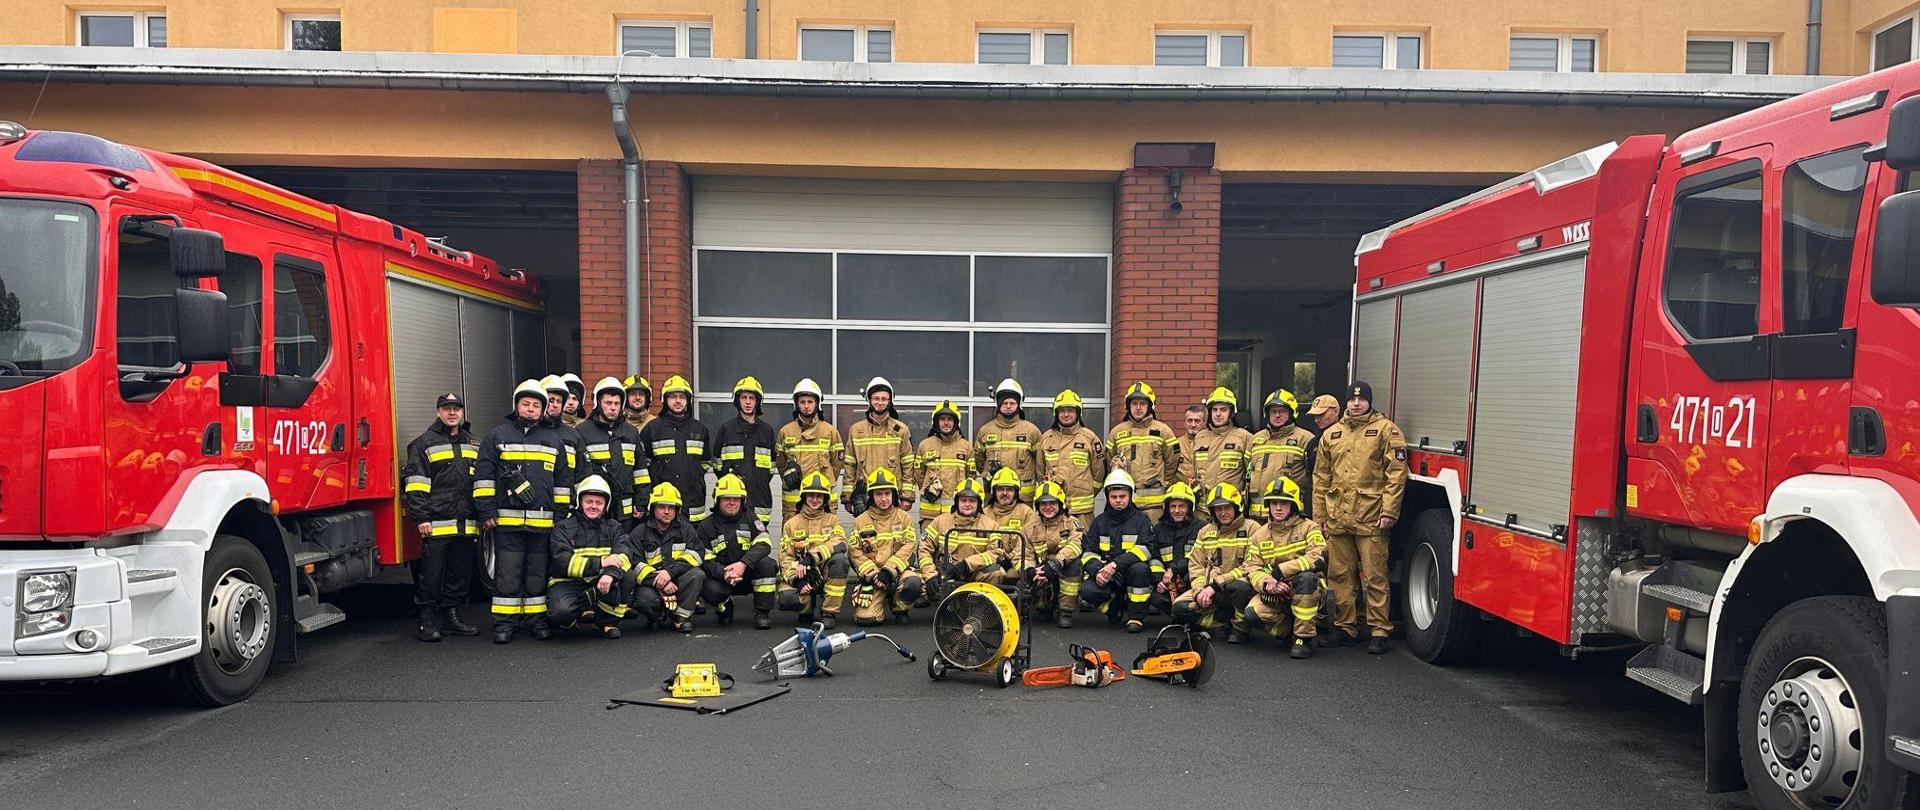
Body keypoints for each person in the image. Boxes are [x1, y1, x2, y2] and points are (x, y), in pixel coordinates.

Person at [474, 379, 575, 644]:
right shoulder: (497, 436)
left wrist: (561, 519)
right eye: (525, 404)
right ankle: (504, 623)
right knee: (508, 573)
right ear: (516, 405)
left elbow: (563, 483)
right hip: (507, 521)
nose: (530, 409)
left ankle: (536, 620)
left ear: (543, 410)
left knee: (536, 574)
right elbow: (484, 478)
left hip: (544, 524)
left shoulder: (553, 441)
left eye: (535, 405)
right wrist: (486, 512)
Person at [1313, 381, 1408, 655]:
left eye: (1362, 399)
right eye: (1352, 400)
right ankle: (1346, 627)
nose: (1356, 404)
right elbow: (1320, 478)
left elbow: (1396, 474)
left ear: (1369, 402)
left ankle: (1378, 630)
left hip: (1371, 516)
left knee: (1375, 576)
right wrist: (1320, 515)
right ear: (1346, 403)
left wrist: (1389, 510)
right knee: (1340, 575)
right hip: (1338, 516)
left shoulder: (1386, 431)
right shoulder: (1332, 434)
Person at [401, 392, 482, 642]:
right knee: (431, 575)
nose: (452, 413)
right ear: (438, 412)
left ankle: (451, 617)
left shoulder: (474, 444)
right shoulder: (424, 444)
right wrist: (421, 517)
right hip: (435, 522)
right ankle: (427, 619)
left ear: (462, 413)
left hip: (466, 524)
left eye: (456, 408)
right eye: (447, 408)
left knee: (460, 573)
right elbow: (416, 484)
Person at [1243, 478, 1328, 659]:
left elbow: (1318, 557)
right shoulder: (1259, 534)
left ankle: (1303, 639)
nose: (1278, 508)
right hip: (1275, 591)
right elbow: (1252, 568)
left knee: (1306, 579)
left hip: (1306, 588)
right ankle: (1286, 630)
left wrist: (1280, 572)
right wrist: (1266, 583)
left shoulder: (1309, 527)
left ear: (1294, 505)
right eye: (1274, 503)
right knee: (1251, 615)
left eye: (1283, 503)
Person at [544, 475, 634, 639]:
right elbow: (563, 563)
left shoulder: (614, 527)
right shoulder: (563, 528)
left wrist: (609, 573)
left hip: (601, 580)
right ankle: (571, 621)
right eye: (589, 502)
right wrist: (601, 562)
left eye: (599, 503)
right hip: (567, 582)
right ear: (579, 502)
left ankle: (605, 623)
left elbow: (624, 554)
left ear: (605, 505)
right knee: (561, 612)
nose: (594, 506)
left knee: (628, 576)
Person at [1172, 483, 1257, 642]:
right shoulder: (1205, 532)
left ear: (1236, 506)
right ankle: (1219, 623)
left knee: (1240, 587)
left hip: (1236, 587)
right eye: (1218, 509)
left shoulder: (1253, 529)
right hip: (1210, 589)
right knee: (1179, 607)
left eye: (1227, 507)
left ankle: (1240, 628)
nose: (1223, 513)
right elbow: (1195, 565)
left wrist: (1216, 584)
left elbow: (1250, 566)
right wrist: (1198, 591)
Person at [696, 474, 777, 630]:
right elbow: (705, 559)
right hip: (723, 578)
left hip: (746, 573)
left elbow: (764, 543)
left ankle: (762, 613)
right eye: (727, 498)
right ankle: (725, 605)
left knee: (768, 564)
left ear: (743, 500)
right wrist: (724, 573)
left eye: (736, 498)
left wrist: (743, 564)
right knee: (705, 585)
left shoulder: (751, 519)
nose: (732, 502)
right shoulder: (706, 526)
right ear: (717, 500)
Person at [1079, 469, 1156, 632]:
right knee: (1087, 591)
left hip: (1130, 572)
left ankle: (1135, 617)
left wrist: (1114, 565)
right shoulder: (1099, 522)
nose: (1118, 501)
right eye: (1114, 497)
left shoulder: (1141, 519)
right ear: (1107, 497)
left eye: (1122, 496)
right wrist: (1097, 571)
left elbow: (1147, 549)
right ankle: (1114, 608)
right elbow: (1088, 552)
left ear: (1130, 496)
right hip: (1107, 574)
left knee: (1141, 569)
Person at [626, 482, 706, 633]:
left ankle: (680, 617)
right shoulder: (639, 533)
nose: (667, 511)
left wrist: (669, 573)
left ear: (677, 510)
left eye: (671, 507)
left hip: (678, 580)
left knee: (697, 575)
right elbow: (634, 563)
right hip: (651, 583)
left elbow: (697, 553)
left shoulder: (686, 529)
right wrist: (660, 581)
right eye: (662, 507)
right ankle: (657, 616)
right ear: (653, 509)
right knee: (645, 601)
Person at [847, 468, 922, 626]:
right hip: (873, 578)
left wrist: (888, 572)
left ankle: (899, 607)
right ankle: (879, 599)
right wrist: (873, 574)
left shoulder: (904, 518)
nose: (883, 499)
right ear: (871, 496)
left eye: (887, 494)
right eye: (879, 494)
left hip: (896, 574)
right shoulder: (860, 521)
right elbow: (854, 552)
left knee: (913, 584)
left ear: (893, 495)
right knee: (866, 620)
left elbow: (908, 548)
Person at [778, 471, 850, 628]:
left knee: (840, 561)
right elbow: (785, 558)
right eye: (811, 495)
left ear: (825, 499)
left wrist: (811, 558)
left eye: (820, 496)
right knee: (787, 598)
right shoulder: (791, 524)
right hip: (801, 575)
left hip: (825, 573)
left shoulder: (833, 520)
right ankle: (806, 609)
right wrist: (797, 580)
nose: (815, 499)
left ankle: (828, 612)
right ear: (804, 497)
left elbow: (840, 544)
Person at [638, 374, 713, 524]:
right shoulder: (652, 429)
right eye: (673, 396)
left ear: (688, 400)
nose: (678, 401)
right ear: (665, 400)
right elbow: (643, 467)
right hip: (662, 504)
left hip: (693, 504)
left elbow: (705, 464)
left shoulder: (700, 429)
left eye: (682, 397)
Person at [1106, 382, 1183, 522]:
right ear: (1127, 406)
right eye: (1134, 403)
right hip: (1126, 505)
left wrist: (1164, 483)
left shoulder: (1163, 431)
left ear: (1150, 406)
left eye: (1142, 403)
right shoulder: (1117, 432)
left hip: (1155, 506)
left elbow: (1173, 462)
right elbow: (1108, 460)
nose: (1138, 407)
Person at [843, 377, 916, 518]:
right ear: (869, 400)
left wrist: (907, 496)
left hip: (892, 498)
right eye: (876, 398)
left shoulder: (900, 430)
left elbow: (908, 465)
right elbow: (849, 465)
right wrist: (847, 497)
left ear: (890, 401)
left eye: (884, 399)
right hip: (864, 497)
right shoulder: (856, 430)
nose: (880, 402)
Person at [576, 377, 644, 524]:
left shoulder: (631, 432)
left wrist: (642, 501)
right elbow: (579, 472)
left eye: (617, 403)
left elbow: (641, 472)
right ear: (598, 404)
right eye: (608, 403)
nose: (613, 407)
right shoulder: (582, 431)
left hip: (625, 510)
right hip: (595, 509)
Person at [776, 378, 844, 521]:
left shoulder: (830, 432)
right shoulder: (786, 432)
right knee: (793, 541)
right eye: (802, 402)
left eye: (810, 402)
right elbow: (781, 465)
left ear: (817, 404)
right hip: (794, 504)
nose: (806, 406)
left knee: (825, 540)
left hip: (823, 501)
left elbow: (836, 466)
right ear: (796, 404)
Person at [714, 376, 779, 523]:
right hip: (732, 502)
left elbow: (771, 469)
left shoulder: (767, 432)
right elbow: (717, 466)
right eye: (744, 397)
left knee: (759, 543)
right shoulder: (726, 430)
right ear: (738, 400)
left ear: (758, 401)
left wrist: (756, 480)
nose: (748, 402)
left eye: (752, 398)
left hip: (760, 501)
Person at [1021, 482, 1084, 629]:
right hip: (1041, 571)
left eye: (1052, 503)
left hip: (1063, 566)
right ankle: (1045, 605)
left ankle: (1066, 611)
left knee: (1074, 566)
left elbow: (1076, 545)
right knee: (1023, 582)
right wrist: (1030, 570)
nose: (1047, 507)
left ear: (1060, 503)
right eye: (1043, 504)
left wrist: (1056, 563)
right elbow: (1023, 553)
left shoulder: (1072, 523)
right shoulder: (1029, 527)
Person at [1248, 389, 1315, 521]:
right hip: (1256, 517)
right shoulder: (1256, 439)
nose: (1277, 415)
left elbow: (1315, 478)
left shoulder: (1305, 439)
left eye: (1282, 411)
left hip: (1290, 516)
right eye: (1273, 411)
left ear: (1291, 413)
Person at [1038, 389, 1104, 524]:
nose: (1066, 414)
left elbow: (1099, 475)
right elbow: (1039, 472)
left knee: (1083, 544)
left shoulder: (1090, 438)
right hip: (1053, 509)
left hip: (1082, 512)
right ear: (1056, 413)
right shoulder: (1046, 438)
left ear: (1078, 413)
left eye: (1070, 411)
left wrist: (1084, 490)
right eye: (1062, 411)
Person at [925, 477, 1004, 587]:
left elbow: (996, 553)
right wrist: (930, 576)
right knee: (914, 583)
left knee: (997, 572)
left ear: (979, 503)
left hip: (975, 575)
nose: (967, 504)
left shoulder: (991, 525)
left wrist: (967, 565)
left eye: (972, 500)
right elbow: (924, 548)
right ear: (956, 502)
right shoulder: (940, 521)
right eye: (963, 500)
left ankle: (980, 602)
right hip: (946, 575)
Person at [975, 378, 1042, 502]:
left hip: (1023, 498)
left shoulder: (1031, 431)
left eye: (1012, 403)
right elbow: (978, 461)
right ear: (999, 404)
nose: (1008, 407)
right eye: (1005, 403)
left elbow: (1040, 463)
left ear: (1019, 405)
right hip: (993, 497)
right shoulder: (985, 431)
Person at [915, 400, 974, 532]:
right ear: (936, 422)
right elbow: (919, 475)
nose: (946, 423)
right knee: (927, 549)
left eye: (949, 419)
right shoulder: (925, 445)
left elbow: (971, 477)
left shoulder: (966, 447)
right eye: (942, 419)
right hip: (929, 514)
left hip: (956, 514)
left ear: (956, 422)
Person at [1149, 482, 1202, 617]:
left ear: (1190, 508)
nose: (1177, 510)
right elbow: (1154, 558)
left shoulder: (1202, 529)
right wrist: (1160, 580)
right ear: (1166, 508)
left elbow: (1197, 557)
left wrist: (1174, 571)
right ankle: (1180, 617)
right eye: (1173, 506)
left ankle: (1195, 618)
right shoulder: (1158, 529)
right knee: (1156, 598)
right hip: (1167, 582)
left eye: (1181, 506)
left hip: (1192, 580)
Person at [1193, 387, 1253, 496]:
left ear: (1231, 413)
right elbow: (1194, 471)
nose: (1218, 414)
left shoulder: (1244, 437)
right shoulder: (1200, 437)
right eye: (1214, 409)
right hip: (1202, 509)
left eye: (1223, 409)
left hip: (1229, 508)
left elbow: (1251, 475)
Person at [541, 375, 586, 515]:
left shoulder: (573, 436)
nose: (555, 404)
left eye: (559, 401)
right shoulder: (529, 434)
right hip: (534, 510)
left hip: (566, 510)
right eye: (550, 400)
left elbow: (583, 474)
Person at [983, 466, 1038, 535]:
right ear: (993, 492)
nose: (1005, 493)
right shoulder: (985, 514)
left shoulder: (1026, 513)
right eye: (1000, 489)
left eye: (1009, 489)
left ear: (1016, 492)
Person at [1179, 404, 1205, 486]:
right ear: (1184, 423)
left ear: (1203, 423)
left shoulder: (1211, 444)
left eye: (1197, 421)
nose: (1193, 425)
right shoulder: (1175, 444)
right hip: (1182, 494)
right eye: (1189, 420)